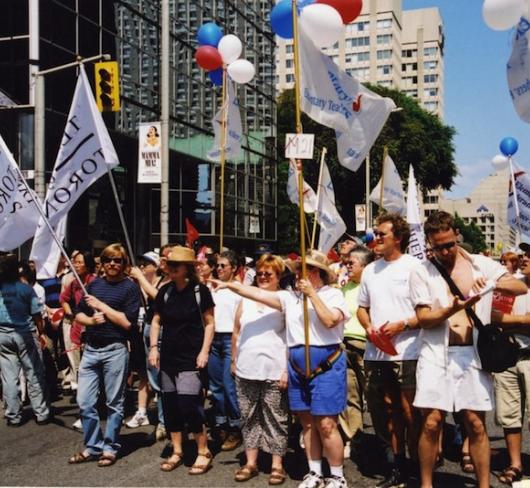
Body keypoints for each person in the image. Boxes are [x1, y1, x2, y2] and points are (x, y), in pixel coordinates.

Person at [210, 250, 350, 488]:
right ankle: (314, 472)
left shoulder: (333, 295)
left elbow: (329, 321)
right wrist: (228, 285)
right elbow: (253, 292)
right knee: (307, 424)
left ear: (320, 273)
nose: (299, 274)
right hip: (298, 364)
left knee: (326, 424)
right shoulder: (289, 298)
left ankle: (337, 476)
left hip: (326, 361)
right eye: (298, 270)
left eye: (307, 270)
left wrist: (312, 295)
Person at [410, 211, 527, 488]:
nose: (445, 251)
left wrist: (493, 284)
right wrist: (450, 309)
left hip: (472, 353)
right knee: (431, 422)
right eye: (438, 247)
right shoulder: (421, 270)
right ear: (429, 243)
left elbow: (519, 286)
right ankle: (427, 484)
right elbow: (424, 318)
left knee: (475, 423)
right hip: (435, 352)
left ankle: (483, 485)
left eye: (449, 244)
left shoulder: (480, 264)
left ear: (456, 235)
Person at [357, 213, 422, 488]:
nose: (375, 238)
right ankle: (398, 464)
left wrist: (401, 325)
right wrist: (369, 326)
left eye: (381, 234)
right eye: (375, 233)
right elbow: (362, 308)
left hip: (408, 351)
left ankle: (420, 464)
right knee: (388, 412)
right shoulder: (370, 269)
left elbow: (426, 313)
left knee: (411, 413)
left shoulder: (415, 267)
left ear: (398, 238)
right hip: (377, 352)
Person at [68, 243, 142, 467]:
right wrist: (90, 320)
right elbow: (77, 313)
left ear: (123, 264)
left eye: (117, 260)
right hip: (91, 349)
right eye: (108, 259)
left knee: (114, 402)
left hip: (115, 350)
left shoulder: (130, 288)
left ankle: (110, 447)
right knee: (85, 402)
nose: (112, 264)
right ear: (102, 262)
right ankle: (93, 446)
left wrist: (102, 306)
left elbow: (127, 323)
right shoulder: (94, 285)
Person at [148, 246, 215, 475]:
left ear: (187, 268)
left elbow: (210, 323)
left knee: (190, 404)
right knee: (171, 405)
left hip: (191, 358)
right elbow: (156, 321)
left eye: (175, 265)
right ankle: (177, 450)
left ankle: (202, 451)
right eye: (169, 264)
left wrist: (204, 351)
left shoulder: (200, 291)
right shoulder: (165, 292)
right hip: (168, 357)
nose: (170, 268)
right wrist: (153, 348)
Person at [230, 254, 289, 485]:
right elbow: (236, 331)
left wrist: (286, 370)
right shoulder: (245, 299)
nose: (263, 277)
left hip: (275, 368)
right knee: (248, 416)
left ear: (279, 276)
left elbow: (293, 337)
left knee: (277, 417)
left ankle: (277, 465)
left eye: (269, 273)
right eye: (260, 273)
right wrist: (234, 359)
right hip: (246, 368)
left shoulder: (285, 298)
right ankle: (251, 462)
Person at [490, 242, 530, 485]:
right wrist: (523, 320)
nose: (525, 258)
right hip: (508, 356)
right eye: (524, 254)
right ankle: (515, 464)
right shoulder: (512, 285)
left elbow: (506, 320)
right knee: (509, 415)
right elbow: (496, 318)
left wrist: (512, 321)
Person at [0, 254, 50, 426]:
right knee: (33, 373)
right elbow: (37, 315)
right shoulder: (26, 289)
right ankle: (41, 413)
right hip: (25, 334)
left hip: (3, 335)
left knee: (9, 377)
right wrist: (41, 332)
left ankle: (13, 415)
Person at [128, 249, 168, 440]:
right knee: (152, 377)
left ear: (155, 267)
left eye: (145, 265)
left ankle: (164, 421)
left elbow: (159, 298)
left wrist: (140, 280)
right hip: (146, 331)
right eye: (140, 265)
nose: (142, 268)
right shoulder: (141, 284)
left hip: (160, 332)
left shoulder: (164, 283)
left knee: (160, 378)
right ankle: (162, 418)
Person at [339, 246, 374, 458]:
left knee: (374, 397)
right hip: (344, 347)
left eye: (351, 263)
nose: (347, 266)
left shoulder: (373, 287)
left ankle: (386, 443)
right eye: (346, 263)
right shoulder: (343, 288)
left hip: (368, 348)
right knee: (349, 396)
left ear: (365, 265)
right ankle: (354, 437)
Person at [208, 250, 243, 450]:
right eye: (218, 265)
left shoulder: (239, 289)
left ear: (234, 268)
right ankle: (221, 424)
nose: (219, 269)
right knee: (216, 387)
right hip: (214, 339)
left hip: (231, 339)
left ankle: (235, 427)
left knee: (230, 387)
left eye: (223, 266)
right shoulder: (213, 288)